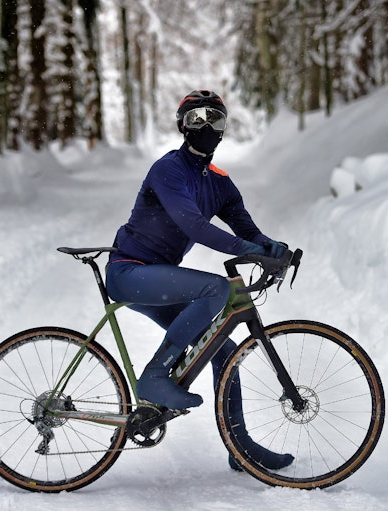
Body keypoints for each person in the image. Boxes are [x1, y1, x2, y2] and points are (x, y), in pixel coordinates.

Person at [105, 90, 292, 471]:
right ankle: (155, 376)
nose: (206, 127)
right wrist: (245, 248)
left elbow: (244, 226)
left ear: (224, 129)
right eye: (196, 119)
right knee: (216, 288)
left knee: (222, 349)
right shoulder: (168, 169)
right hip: (130, 272)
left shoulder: (219, 182)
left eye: (215, 120)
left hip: (160, 277)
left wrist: (270, 247)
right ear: (182, 126)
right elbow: (192, 223)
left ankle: (240, 448)